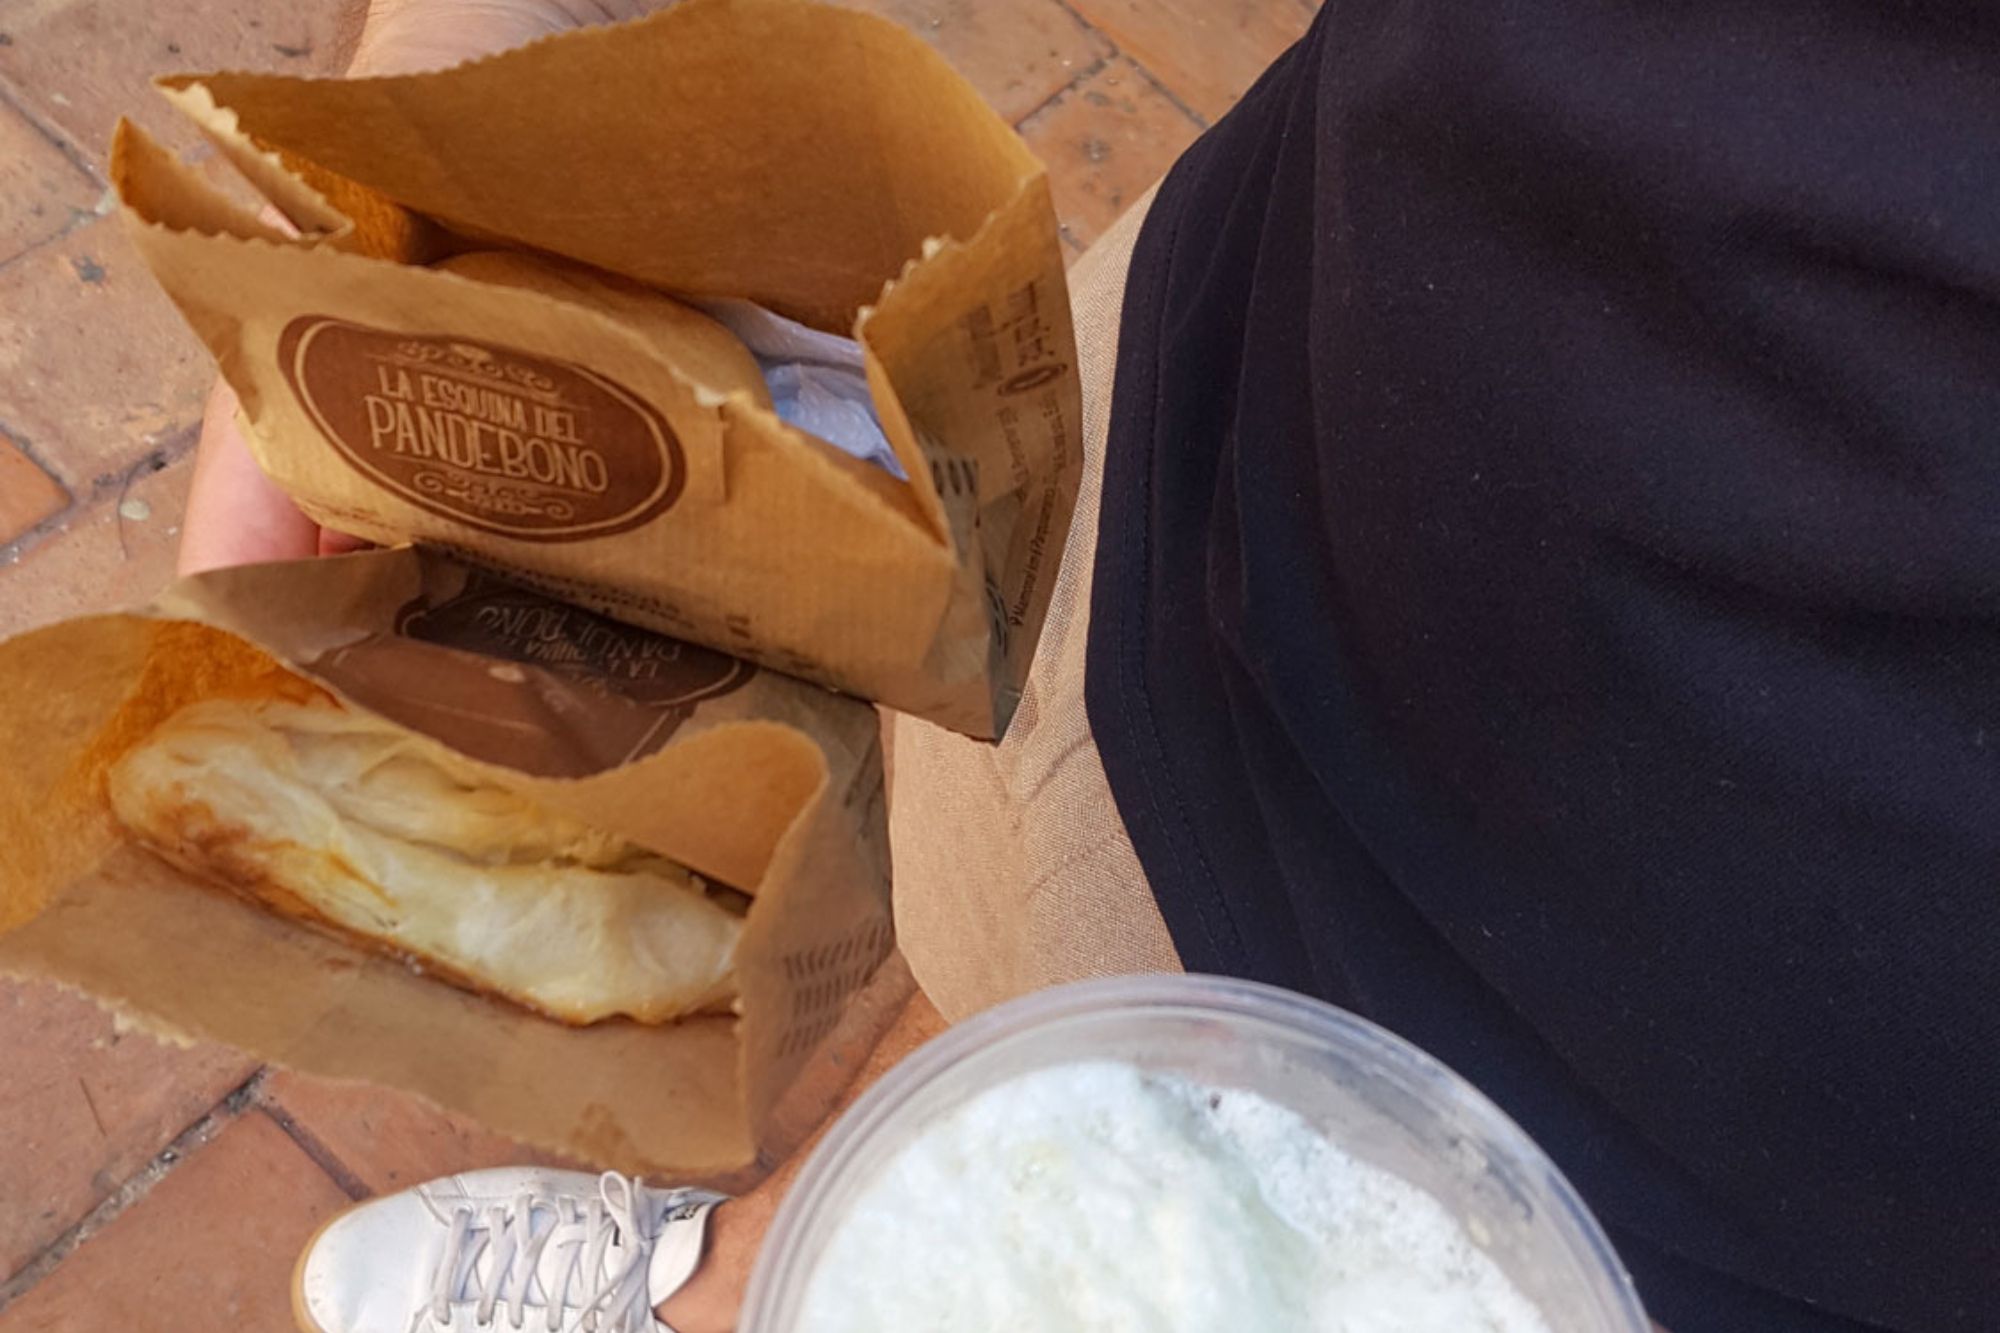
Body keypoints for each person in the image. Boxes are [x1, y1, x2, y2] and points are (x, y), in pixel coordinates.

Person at [185, 1, 1997, 1331]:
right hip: (1226, 488)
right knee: (981, 1095)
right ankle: (728, 1286)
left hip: (1799, 1217)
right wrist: (458, 99)